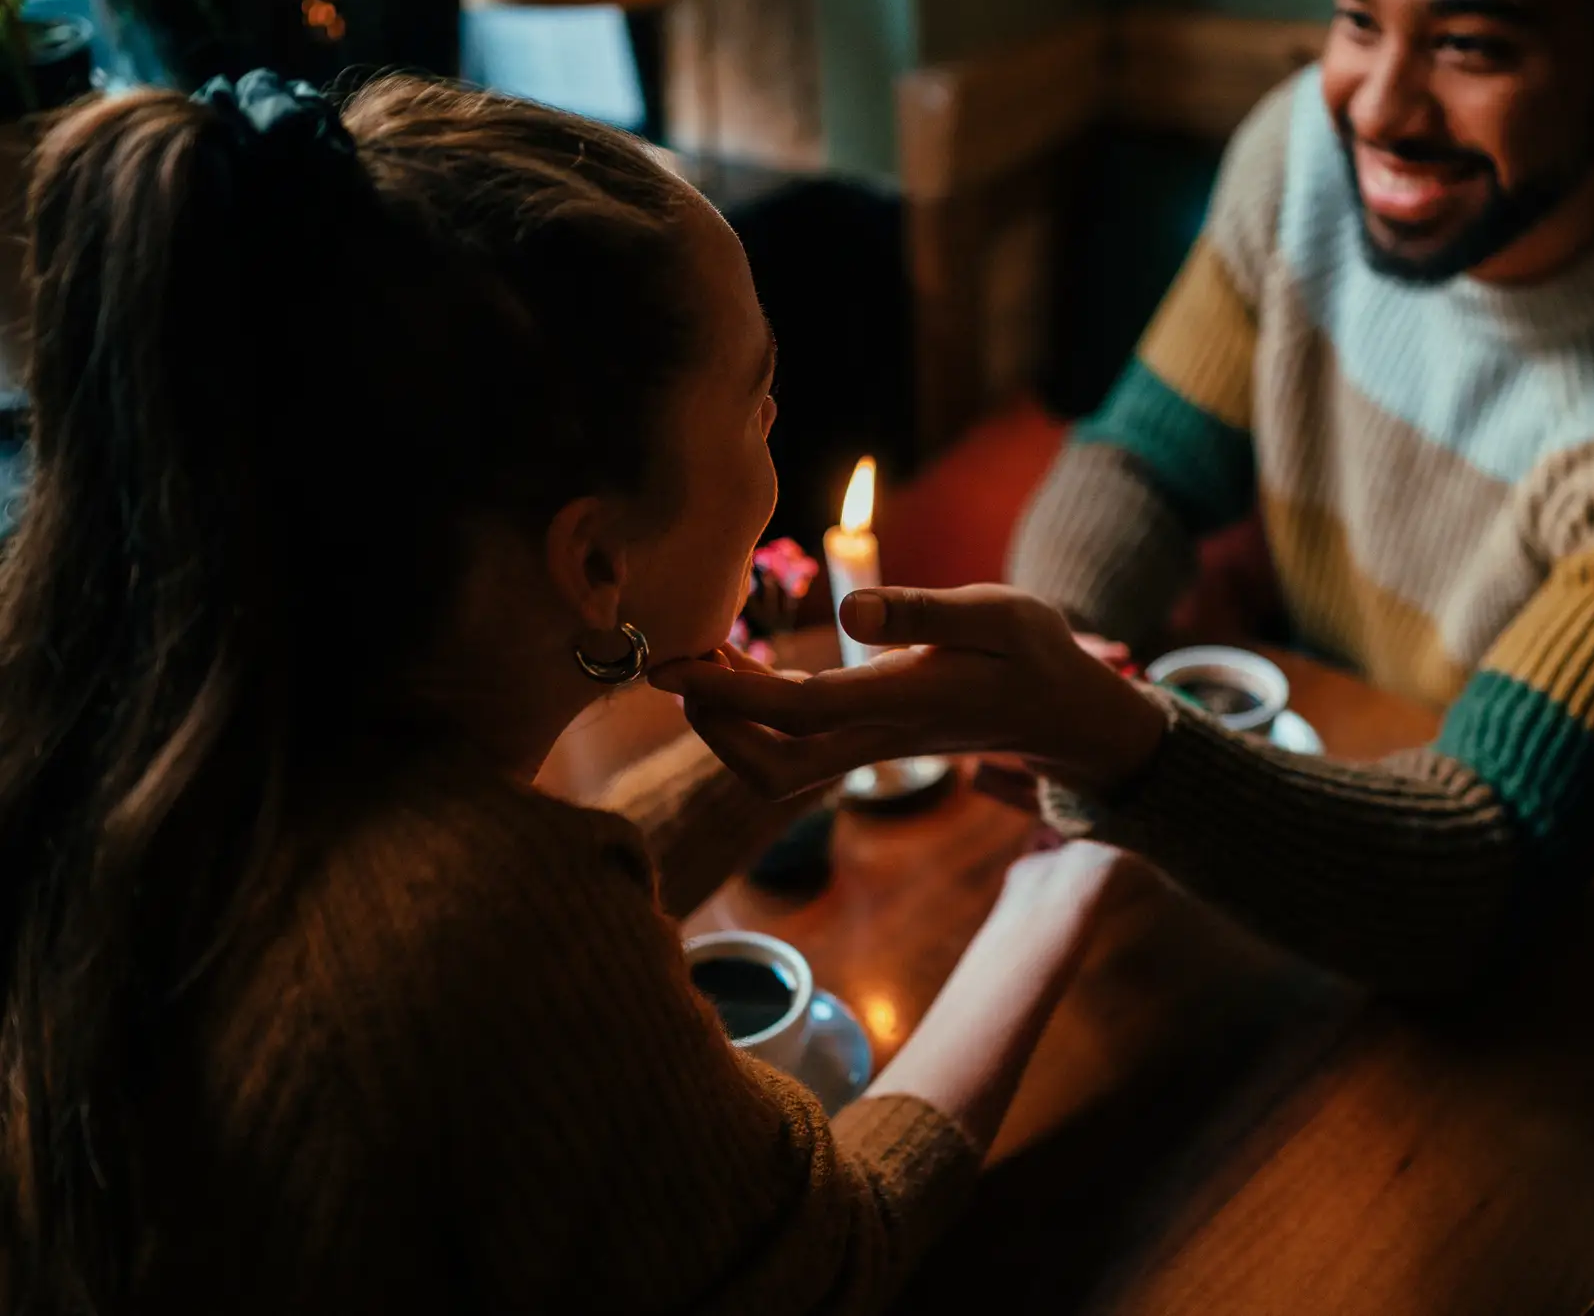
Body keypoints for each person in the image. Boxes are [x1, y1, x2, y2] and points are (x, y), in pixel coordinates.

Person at [654, 0, 1594, 1312]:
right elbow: (1136, 457)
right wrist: (1034, 648)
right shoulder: (1299, 149)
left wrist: (1114, 739)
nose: (1379, 102)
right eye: (1358, 18)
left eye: (1474, 46)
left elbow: (1471, 877)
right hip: (1340, 720)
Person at [0, 72, 1131, 1314]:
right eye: (757, 402)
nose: (778, 428)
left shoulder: (196, 715)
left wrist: (837, 723)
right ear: (596, 562)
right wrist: (1054, 891)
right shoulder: (484, 912)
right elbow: (825, 1258)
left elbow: (490, 930)